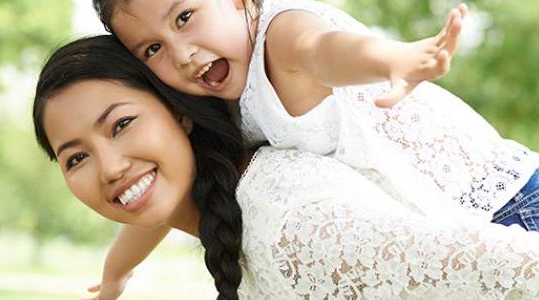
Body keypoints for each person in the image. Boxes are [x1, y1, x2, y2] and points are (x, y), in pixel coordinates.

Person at [33, 35, 539, 300]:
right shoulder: (233, 208)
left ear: (179, 111)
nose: (110, 167)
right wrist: (116, 275)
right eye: (75, 157)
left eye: (121, 125)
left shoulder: (287, 222)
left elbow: (520, 265)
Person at [92, 0, 539, 228]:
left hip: (508, 202)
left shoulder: (279, 34)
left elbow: (321, 49)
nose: (182, 54)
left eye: (185, 17)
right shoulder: (215, 101)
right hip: (450, 234)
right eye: (152, 49)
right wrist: (117, 271)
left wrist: (391, 59)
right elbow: (179, 185)